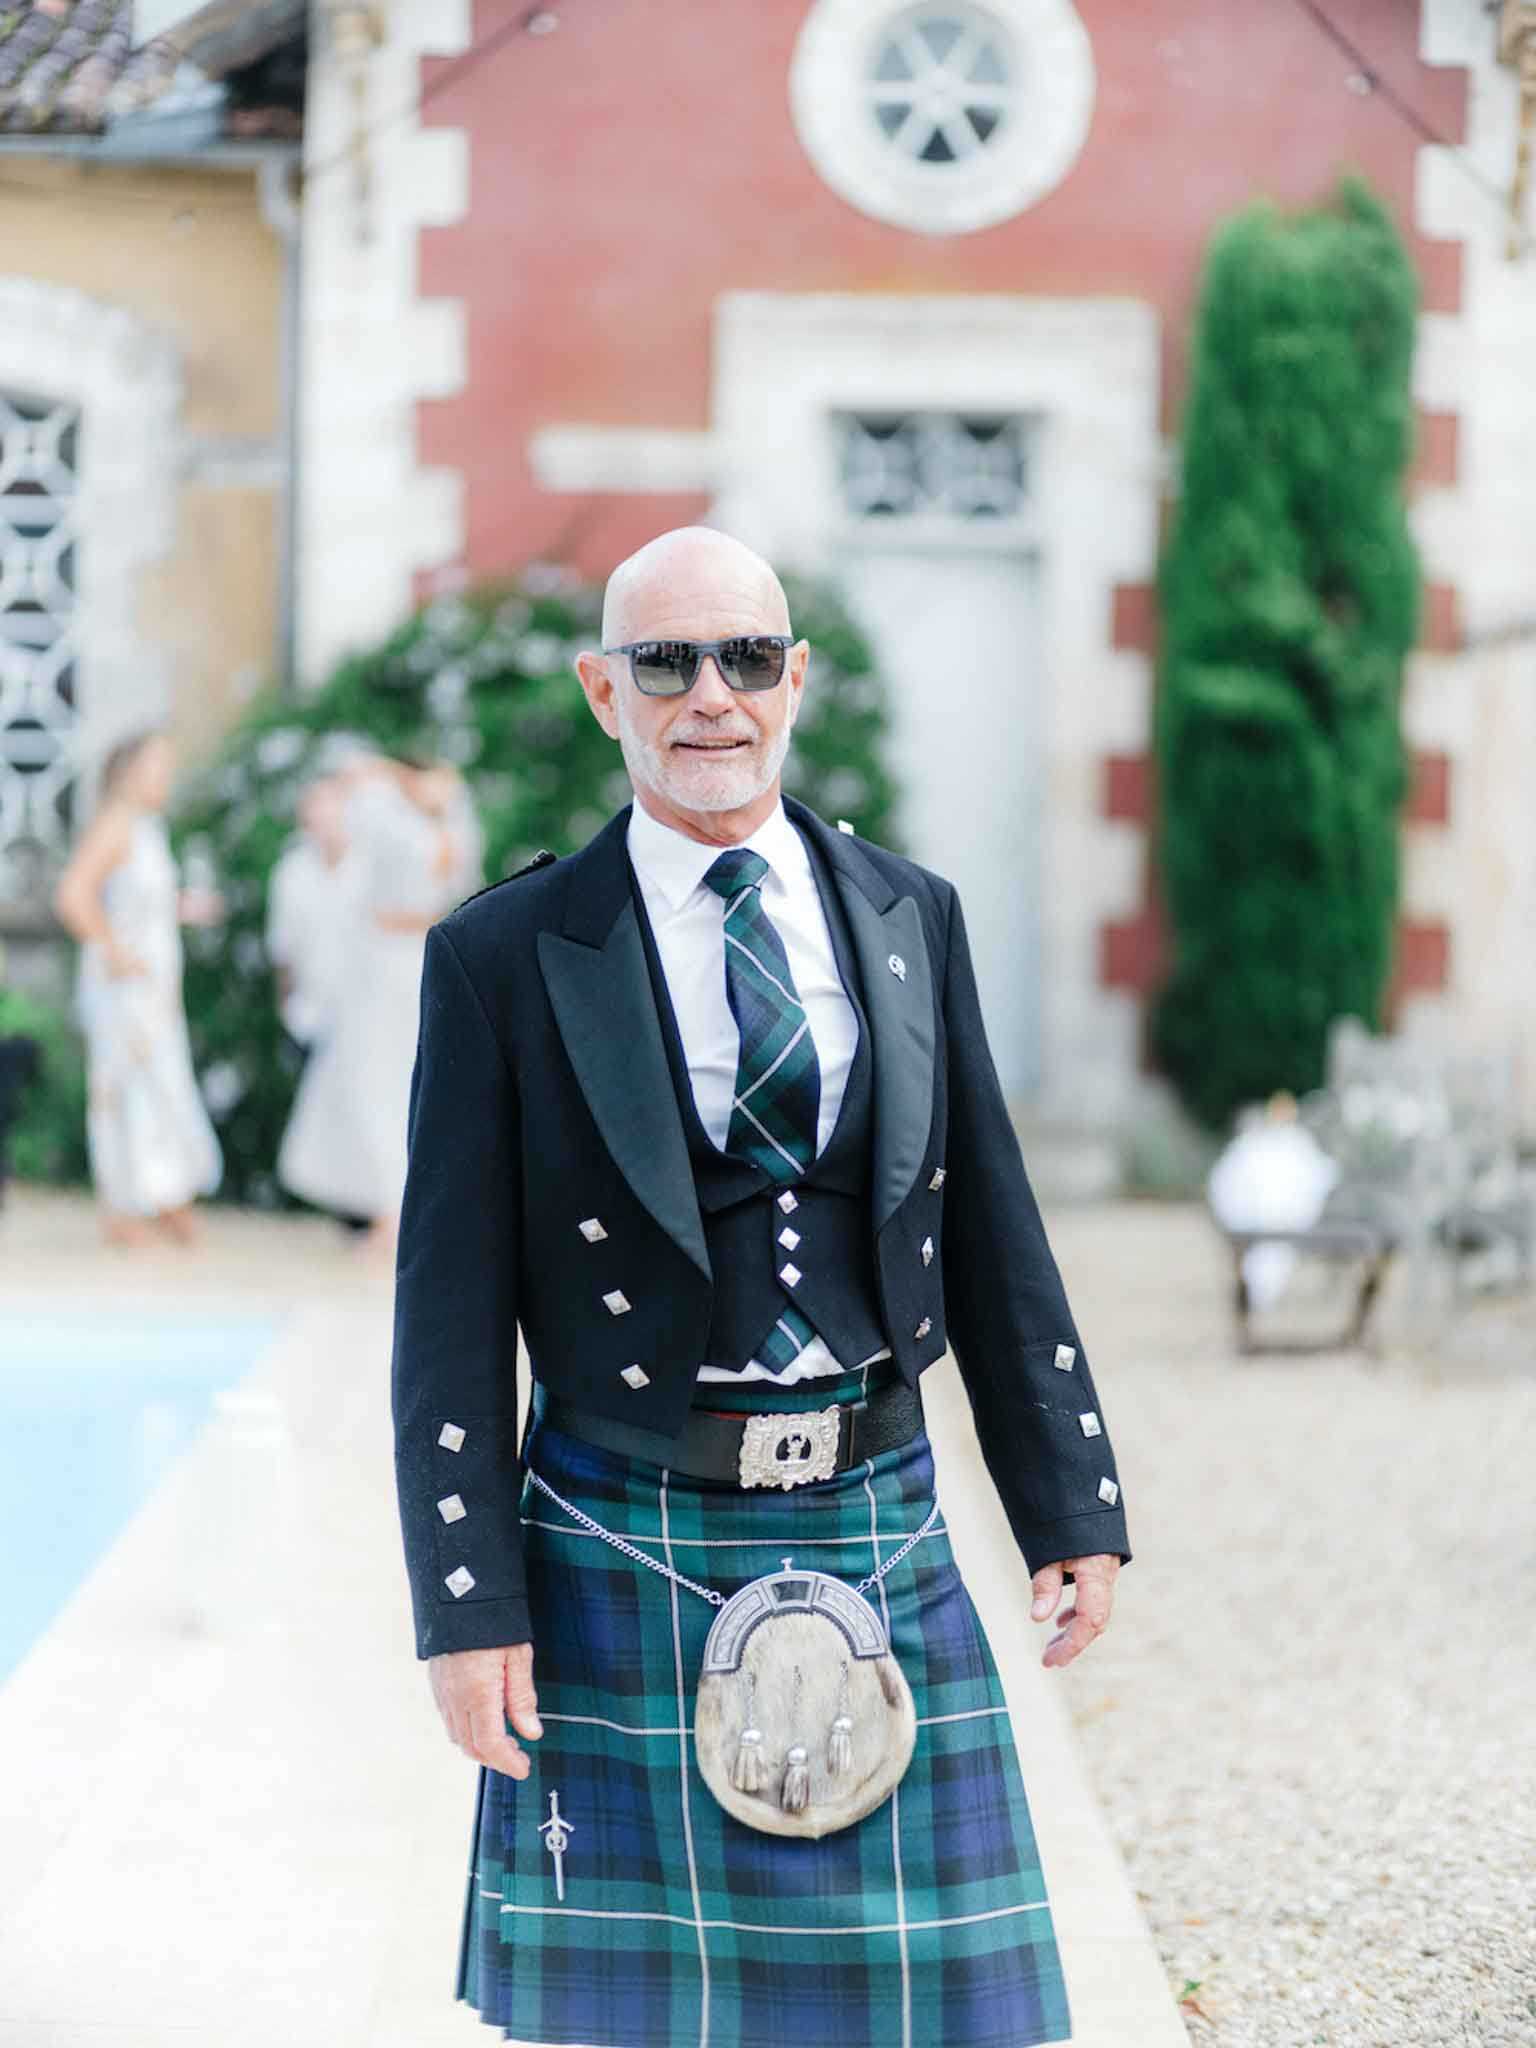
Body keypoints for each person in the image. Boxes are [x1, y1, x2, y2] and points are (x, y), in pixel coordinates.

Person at [391, 526, 1132, 2048]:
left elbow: (990, 1214)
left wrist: (1069, 1505)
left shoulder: (906, 914)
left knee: (924, 2006)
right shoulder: (509, 953)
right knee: (643, 2018)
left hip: (876, 1503)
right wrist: (468, 1608)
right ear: (606, 692)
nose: (708, 696)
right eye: (665, 663)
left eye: (743, 658)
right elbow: (449, 1312)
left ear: (795, 679)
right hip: (624, 1513)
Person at [278, 751, 482, 1255]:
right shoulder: (402, 813)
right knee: (379, 1085)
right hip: (391, 959)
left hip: (413, 956)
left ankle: (404, 1210)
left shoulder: (437, 821)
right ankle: (390, 1209)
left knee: (404, 1085)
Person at [53, 728, 223, 1248]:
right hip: (124, 990)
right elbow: (73, 895)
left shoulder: (147, 830)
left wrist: (182, 907)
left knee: (162, 1085)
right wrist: (114, 950)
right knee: (129, 1087)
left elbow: (138, 902)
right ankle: (125, 1207)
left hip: (153, 989)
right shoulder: (115, 826)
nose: (166, 777)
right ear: (129, 771)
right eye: (158, 766)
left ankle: (166, 1196)